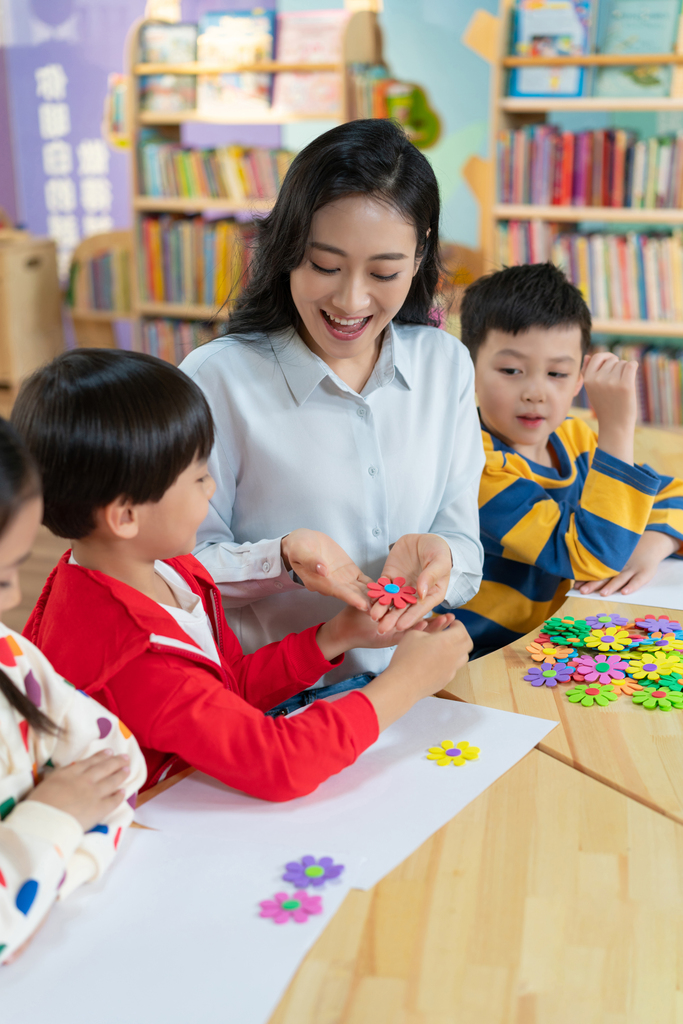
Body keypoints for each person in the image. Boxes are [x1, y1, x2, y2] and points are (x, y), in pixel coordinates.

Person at [13, 349, 472, 803]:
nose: (212, 488)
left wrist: (333, 636)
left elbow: (225, 688)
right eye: (197, 479)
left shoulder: (158, 568)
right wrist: (409, 681)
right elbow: (279, 763)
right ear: (126, 516)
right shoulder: (133, 657)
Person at [179, 118, 485, 687]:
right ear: (287, 247)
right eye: (325, 266)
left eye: (384, 272)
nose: (351, 300)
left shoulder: (446, 366)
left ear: (419, 258)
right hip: (270, 703)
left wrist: (442, 557)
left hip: (410, 690)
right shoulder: (217, 379)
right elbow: (177, 569)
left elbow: (463, 539)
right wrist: (283, 560)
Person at [451, 262, 683, 653]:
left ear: (580, 378)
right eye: (511, 370)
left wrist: (651, 546)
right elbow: (591, 556)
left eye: (557, 374)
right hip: (487, 654)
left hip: (564, 635)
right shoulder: (475, 462)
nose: (535, 392)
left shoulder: (571, 436)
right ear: (469, 369)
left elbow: (671, 492)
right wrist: (617, 429)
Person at [0, 419, 146, 965]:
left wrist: (53, 877)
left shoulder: (10, 657)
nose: (15, 597)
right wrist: (56, 816)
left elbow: (117, 762)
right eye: (1, 579)